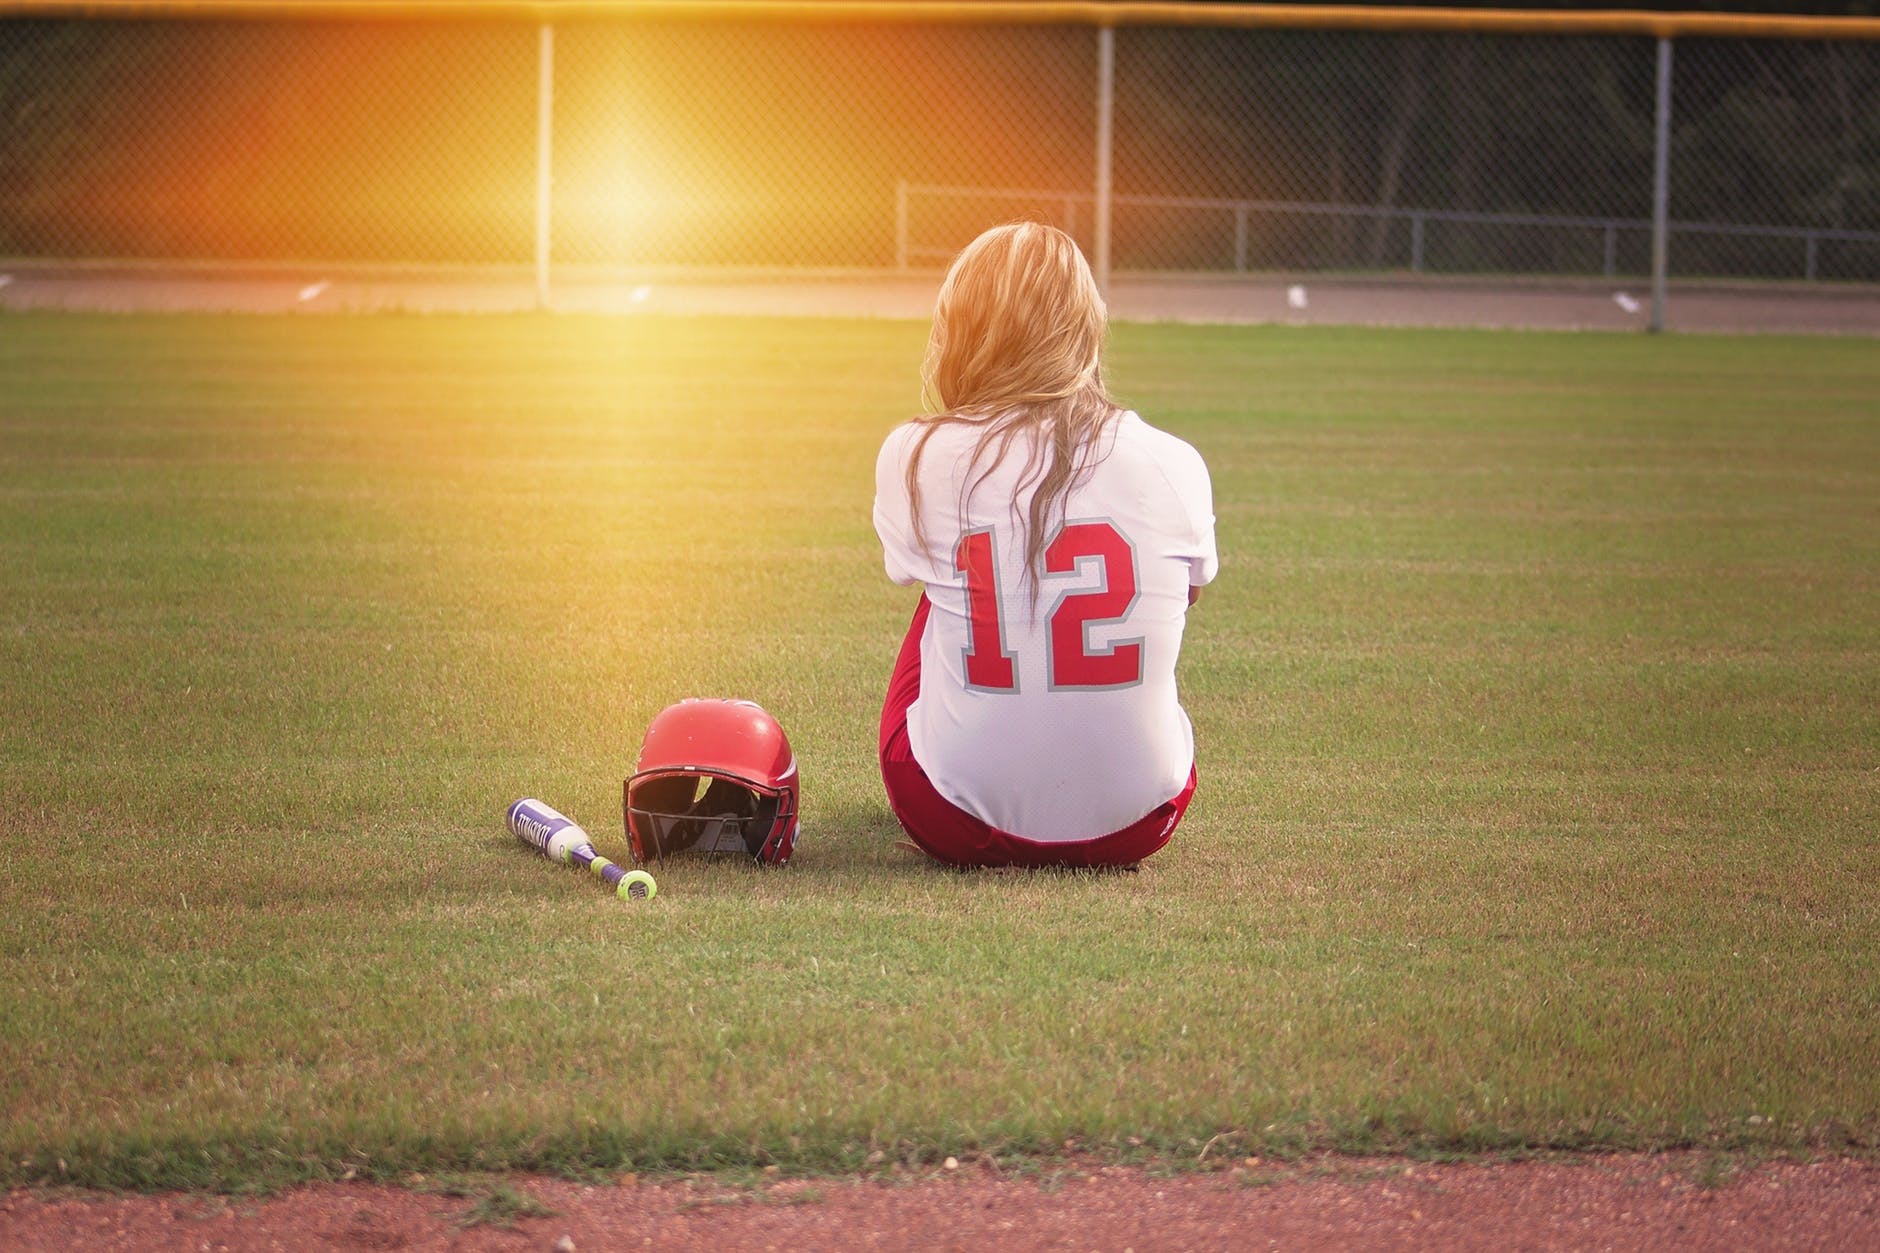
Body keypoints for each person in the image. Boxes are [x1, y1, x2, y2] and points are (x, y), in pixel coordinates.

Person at [872, 222, 1217, 869]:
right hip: (1140, 820)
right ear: (1086, 325)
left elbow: (916, 570)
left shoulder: (916, 453)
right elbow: (1183, 596)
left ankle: (990, 752)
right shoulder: (1176, 460)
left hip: (951, 817)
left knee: (945, 585)